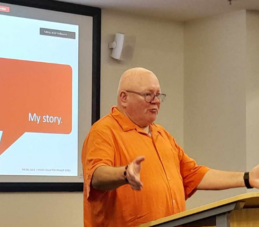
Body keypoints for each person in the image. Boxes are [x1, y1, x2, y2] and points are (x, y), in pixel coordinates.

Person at [82, 67, 259, 227]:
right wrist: (125, 173)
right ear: (124, 97)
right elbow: (96, 176)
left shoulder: (162, 135)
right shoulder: (104, 131)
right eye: (148, 95)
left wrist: (246, 178)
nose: (156, 101)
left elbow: (195, 175)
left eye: (158, 95)